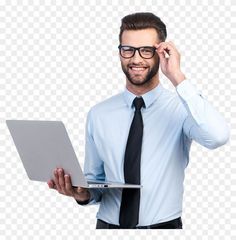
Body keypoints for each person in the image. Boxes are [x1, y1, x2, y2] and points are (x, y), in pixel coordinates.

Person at [47, 12, 230, 229]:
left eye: (146, 50)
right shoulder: (99, 113)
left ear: (161, 53)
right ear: (120, 52)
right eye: (128, 50)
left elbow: (218, 137)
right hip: (107, 227)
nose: (136, 59)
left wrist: (177, 76)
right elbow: (95, 180)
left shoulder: (182, 109)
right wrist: (82, 193)